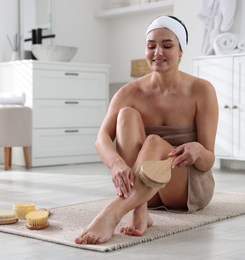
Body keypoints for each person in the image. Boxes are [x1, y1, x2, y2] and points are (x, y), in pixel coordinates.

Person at [75, 15, 218, 245]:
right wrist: (116, 163)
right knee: (126, 115)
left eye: (167, 45)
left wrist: (199, 150)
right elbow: (101, 139)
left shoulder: (202, 90)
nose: (157, 52)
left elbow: (208, 161)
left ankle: (111, 213)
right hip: (145, 191)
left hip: (185, 188)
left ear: (181, 50)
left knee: (153, 141)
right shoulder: (129, 92)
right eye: (151, 46)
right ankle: (139, 207)